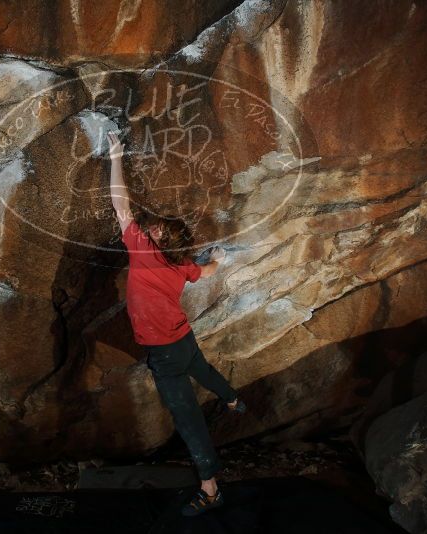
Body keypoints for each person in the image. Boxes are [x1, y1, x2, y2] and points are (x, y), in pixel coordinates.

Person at [106, 131, 247, 517]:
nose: (152, 228)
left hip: (165, 354)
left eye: (159, 231)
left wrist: (115, 157)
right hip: (183, 339)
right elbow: (206, 269)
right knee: (202, 369)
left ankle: (211, 488)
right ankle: (233, 399)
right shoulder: (180, 266)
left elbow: (121, 204)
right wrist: (219, 257)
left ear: (161, 241)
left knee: (187, 420)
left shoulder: (144, 251)